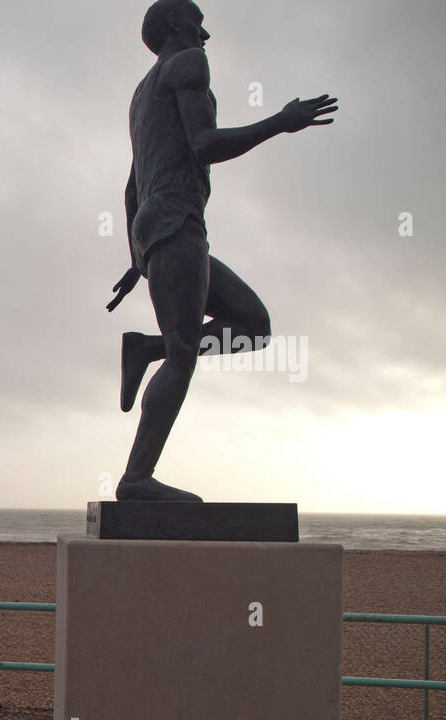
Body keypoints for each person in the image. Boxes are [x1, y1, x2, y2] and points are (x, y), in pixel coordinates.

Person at [106, 0, 337, 501]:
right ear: (175, 23)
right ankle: (136, 480)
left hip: (158, 226)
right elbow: (205, 144)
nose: (205, 35)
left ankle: (146, 348)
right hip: (178, 222)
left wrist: (135, 254)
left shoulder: (140, 95)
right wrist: (281, 121)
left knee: (254, 325)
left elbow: (131, 187)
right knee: (185, 355)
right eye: (198, 22)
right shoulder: (188, 63)